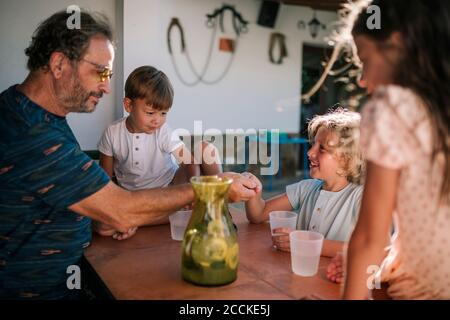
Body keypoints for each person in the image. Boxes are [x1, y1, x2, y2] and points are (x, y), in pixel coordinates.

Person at [0, 10, 258, 300]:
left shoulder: (39, 117)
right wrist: (215, 187)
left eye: (108, 74)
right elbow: (121, 209)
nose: (106, 85)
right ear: (59, 64)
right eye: (100, 71)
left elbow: (79, 199)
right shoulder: (29, 131)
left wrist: (95, 215)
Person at [337, 0, 450, 299]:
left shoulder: (393, 110)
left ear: (396, 45)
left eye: (364, 60)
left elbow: (368, 239)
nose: (362, 79)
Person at [95, 65, 222, 240]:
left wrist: (193, 190)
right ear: (128, 105)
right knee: (105, 220)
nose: (157, 120)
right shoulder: (112, 133)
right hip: (135, 200)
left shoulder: (163, 131)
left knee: (205, 149)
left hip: (170, 187)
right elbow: (105, 179)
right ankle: (179, 213)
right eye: (150, 113)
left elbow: (189, 161)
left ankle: (218, 207)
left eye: (163, 113)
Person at [244, 108, 365, 258]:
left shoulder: (360, 198)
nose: (310, 152)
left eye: (322, 148)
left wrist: (305, 242)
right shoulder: (306, 188)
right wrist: (252, 191)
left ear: (347, 160)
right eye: (313, 144)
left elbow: (368, 250)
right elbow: (258, 214)